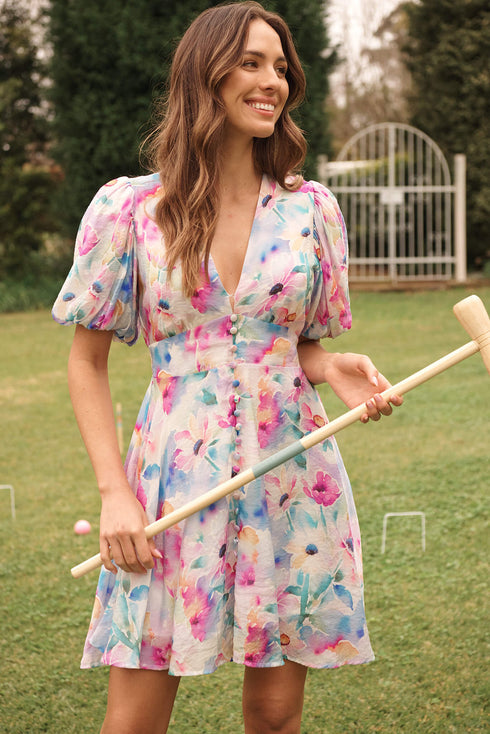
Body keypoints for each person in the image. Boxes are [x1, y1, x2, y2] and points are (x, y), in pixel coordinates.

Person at [53, 3, 402, 732]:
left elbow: (295, 344)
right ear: (203, 76)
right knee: (132, 722)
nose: (273, 80)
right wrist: (114, 493)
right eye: (251, 63)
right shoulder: (132, 209)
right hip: (171, 482)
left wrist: (331, 365)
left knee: (274, 717)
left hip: (290, 476)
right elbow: (86, 361)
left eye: (280, 67)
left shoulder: (311, 212)